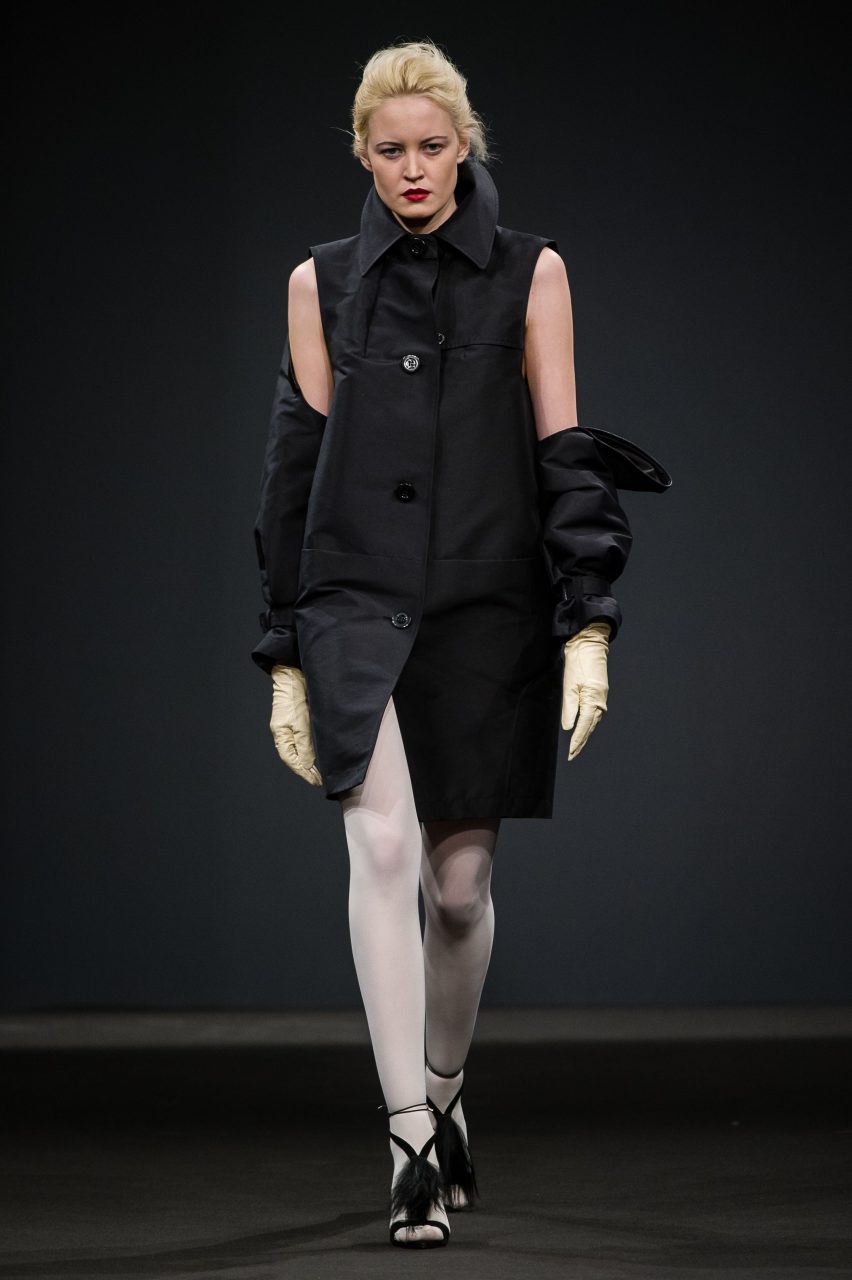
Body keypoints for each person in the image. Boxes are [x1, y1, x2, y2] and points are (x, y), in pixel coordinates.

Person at [250, 39, 671, 1249]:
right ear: (361, 154)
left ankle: (443, 1087)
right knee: (381, 846)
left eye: (433, 146)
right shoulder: (319, 282)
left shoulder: (533, 272)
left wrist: (589, 619)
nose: (414, 169)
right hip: (351, 593)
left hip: (486, 603)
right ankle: (406, 1142)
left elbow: (563, 446)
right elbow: (293, 468)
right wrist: (284, 648)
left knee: (460, 884)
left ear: (465, 144)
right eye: (390, 150)